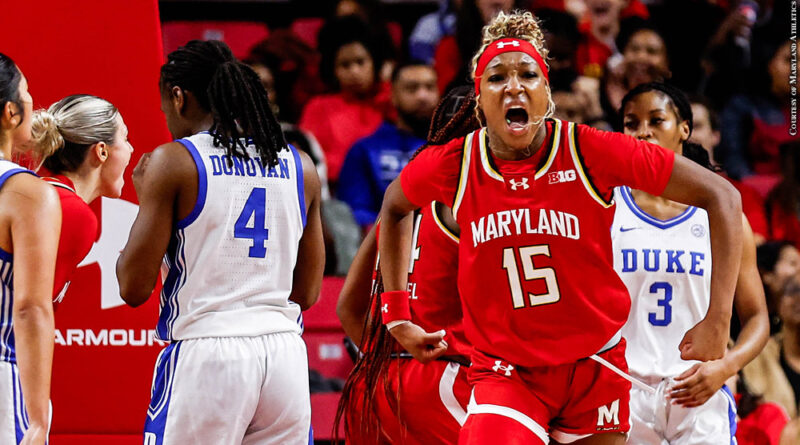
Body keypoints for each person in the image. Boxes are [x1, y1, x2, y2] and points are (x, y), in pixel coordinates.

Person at [377, 11, 742, 444]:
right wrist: (397, 314)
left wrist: (717, 319)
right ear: (479, 101)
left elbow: (723, 197)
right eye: (497, 78)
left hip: (595, 365)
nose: (514, 85)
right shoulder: (455, 163)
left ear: (546, 93)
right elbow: (395, 206)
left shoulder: (590, 149)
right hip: (506, 372)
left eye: (528, 75)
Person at [116, 40, 324, 444]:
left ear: (179, 97)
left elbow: (133, 287)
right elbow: (308, 292)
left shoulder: (175, 160)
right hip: (283, 357)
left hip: (209, 356)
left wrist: (147, 200)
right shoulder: (300, 164)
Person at [613, 82, 769, 444]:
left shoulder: (725, 218)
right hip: (623, 390)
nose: (643, 132)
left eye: (656, 120)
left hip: (699, 390)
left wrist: (726, 368)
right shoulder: (606, 206)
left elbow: (758, 318)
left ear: (684, 128)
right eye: (631, 123)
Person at [336, 86, 478, 444]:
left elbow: (348, 307)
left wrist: (392, 359)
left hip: (373, 379)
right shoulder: (468, 204)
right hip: (442, 379)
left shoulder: (399, 205)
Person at [0, 53, 61, 445]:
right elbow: (31, 307)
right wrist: (37, 419)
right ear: (10, 112)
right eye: (26, 93)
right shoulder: (25, 192)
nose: (33, 101)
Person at [29, 95, 133, 302]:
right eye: (125, 138)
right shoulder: (72, 213)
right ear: (102, 151)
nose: (131, 149)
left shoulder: (45, 196)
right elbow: (30, 310)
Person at [337, 63, 440, 228]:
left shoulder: (454, 147)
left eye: (429, 87)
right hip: (386, 243)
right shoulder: (365, 149)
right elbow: (356, 212)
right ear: (392, 95)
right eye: (412, 89)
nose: (422, 96)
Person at [299, 15, 392, 183]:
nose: (354, 72)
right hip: (335, 192)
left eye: (360, 62)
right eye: (345, 65)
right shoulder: (318, 107)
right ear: (333, 70)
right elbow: (308, 159)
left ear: (375, 63)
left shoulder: (391, 101)